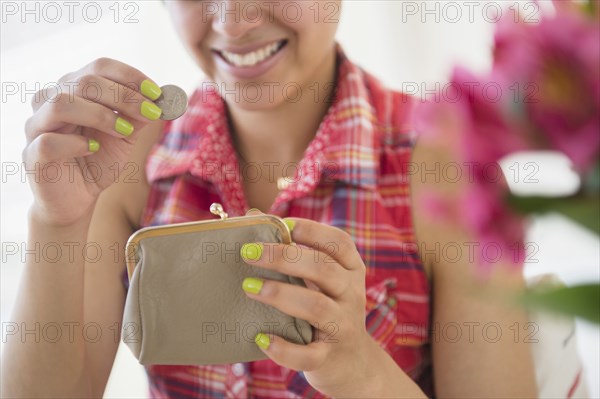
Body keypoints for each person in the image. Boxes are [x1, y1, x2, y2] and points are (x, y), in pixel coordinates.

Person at [2, 1, 538, 398]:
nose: (232, 20)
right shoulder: (125, 159)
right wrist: (56, 221)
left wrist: (359, 370)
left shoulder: (455, 170)